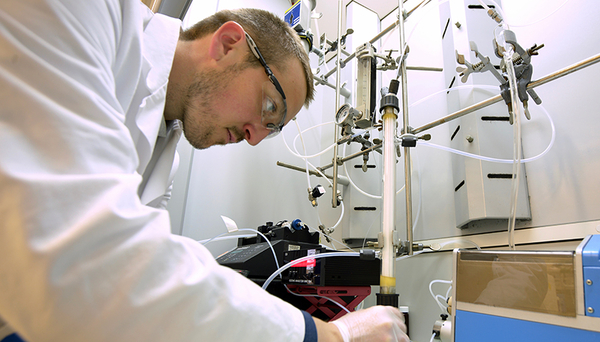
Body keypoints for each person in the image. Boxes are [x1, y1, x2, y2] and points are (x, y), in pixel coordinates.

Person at [0, 0, 409, 341]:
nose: (252, 138)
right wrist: (333, 335)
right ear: (228, 43)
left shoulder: (163, 153)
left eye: (271, 130)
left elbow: (138, 291)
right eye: (269, 107)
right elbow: (86, 265)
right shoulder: (86, 12)